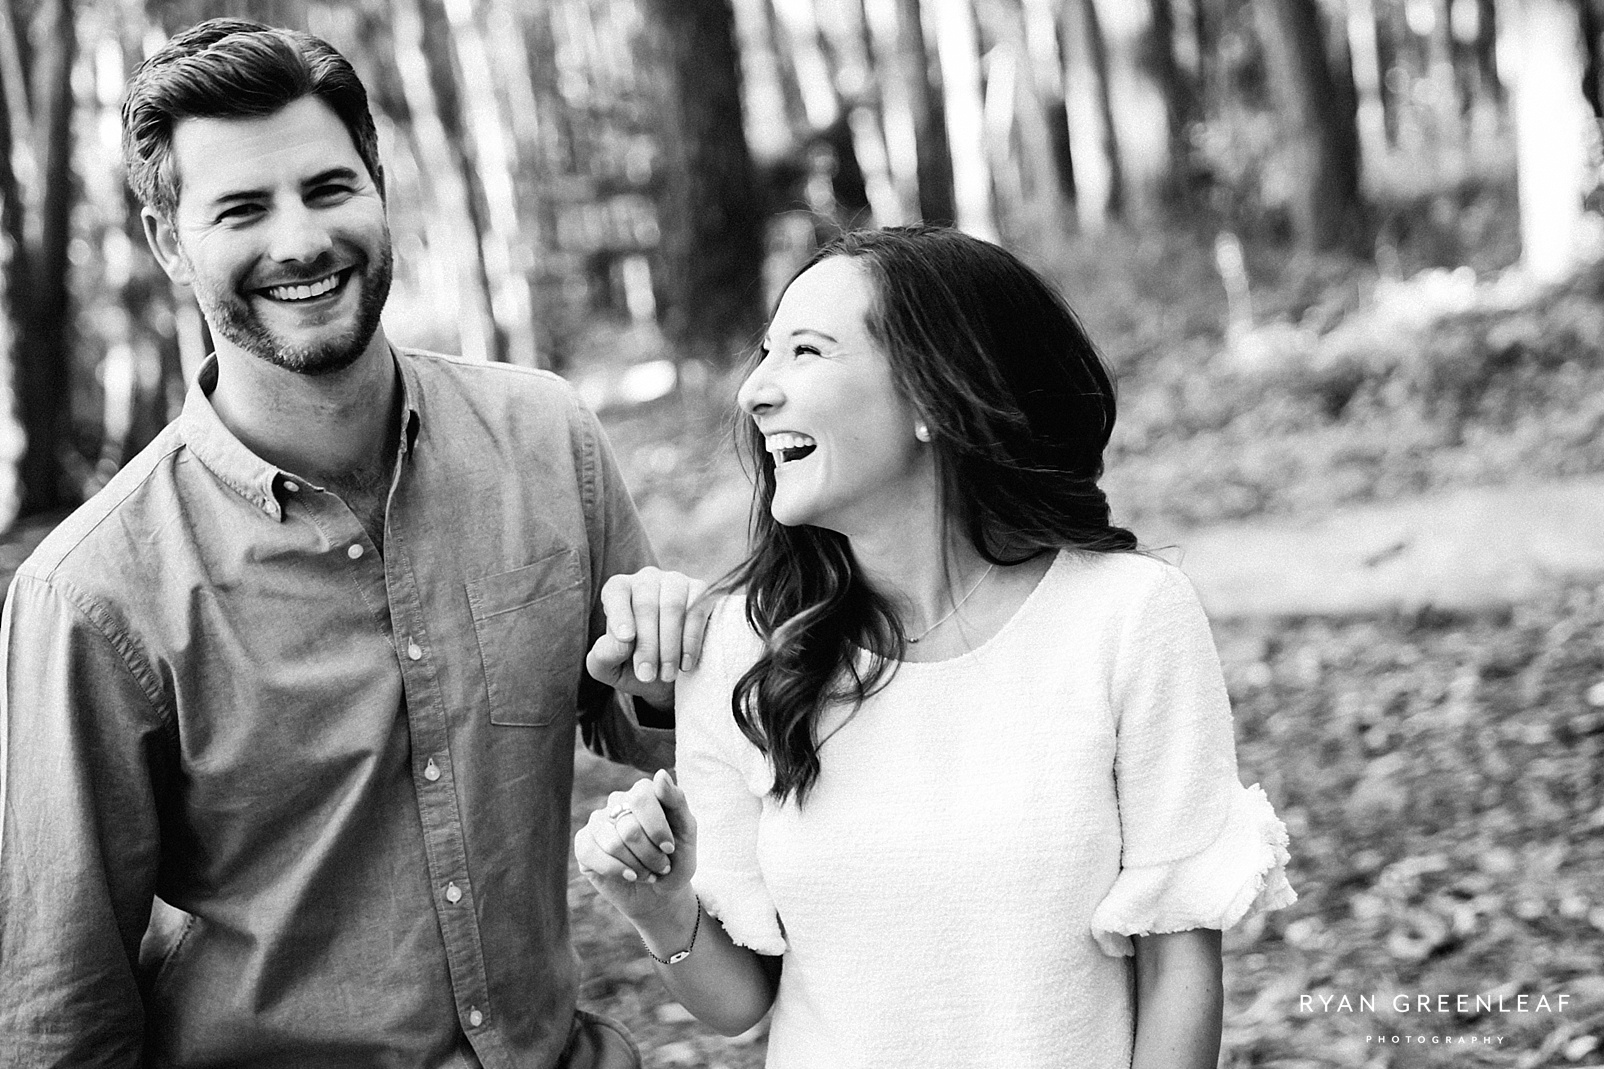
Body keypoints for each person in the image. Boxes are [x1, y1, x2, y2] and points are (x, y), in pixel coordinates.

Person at [0, 19, 706, 1069]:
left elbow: (670, 741)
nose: (298, 241)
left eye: (327, 189)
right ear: (166, 241)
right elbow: (60, 1010)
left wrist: (661, 680)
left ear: (376, 186)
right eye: (241, 209)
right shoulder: (94, 591)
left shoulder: (546, 439)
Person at [576, 226, 1297, 1068]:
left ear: (933, 394)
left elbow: (1179, 962)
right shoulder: (738, 646)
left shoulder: (1128, 617)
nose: (755, 393)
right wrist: (661, 906)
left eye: (807, 351)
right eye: (766, 352)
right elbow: (740, 1000)